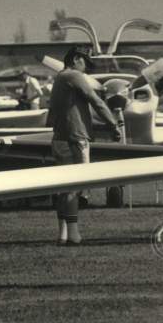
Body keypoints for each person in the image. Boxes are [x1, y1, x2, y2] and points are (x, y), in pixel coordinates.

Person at [46, 46, 122, 245]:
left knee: (64, 188)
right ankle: (73, 234)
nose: (86, 69)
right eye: (85, 63)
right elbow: (96, 101)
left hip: (60, 137)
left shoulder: (60, 78)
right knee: (75, 186)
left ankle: (63, 234)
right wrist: (113, 124)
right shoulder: (73, 76)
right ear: (76, 59)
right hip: (75, 138)